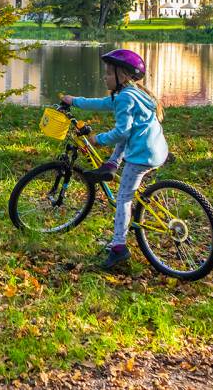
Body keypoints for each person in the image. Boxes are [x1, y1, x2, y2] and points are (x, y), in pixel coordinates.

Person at [60, 49, 168, 270]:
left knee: (123, 199)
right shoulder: (132, 93)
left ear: (123, 76)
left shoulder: (125, 97)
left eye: (109, 73)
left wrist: (98, 139)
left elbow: (121, 132)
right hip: (155, 148)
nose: (105, 77)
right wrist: (74, 101)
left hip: (142, 155)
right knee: (129, 138)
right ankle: (111, 165)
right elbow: (102, 103)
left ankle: (119, 247)